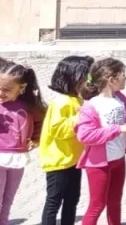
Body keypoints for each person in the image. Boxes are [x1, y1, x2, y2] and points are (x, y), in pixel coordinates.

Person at [76, 58, 126, 225]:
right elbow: (85, 135)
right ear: (112, 80)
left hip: (118, 159)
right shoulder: (92, 106)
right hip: (99, 164)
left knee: (115, 202)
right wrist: (118, 129)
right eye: (123, 75)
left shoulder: (120, 98)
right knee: (97, 205)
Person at [40, 55, 93, 225]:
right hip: (59, 161)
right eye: (86, 76)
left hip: (74, 160)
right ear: (72, 77)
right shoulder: (61, 102)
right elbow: (58, 130)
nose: (88, 80)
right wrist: (80, 117)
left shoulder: (78, 100)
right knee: (54, 201)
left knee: (72, 199)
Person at [0, 58, 46, 225]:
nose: (1, 93)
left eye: (7, 90)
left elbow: (41, 123)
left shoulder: (30, 107)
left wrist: (36, 139)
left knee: (9, 198)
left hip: (18, 159)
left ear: (22, 88)